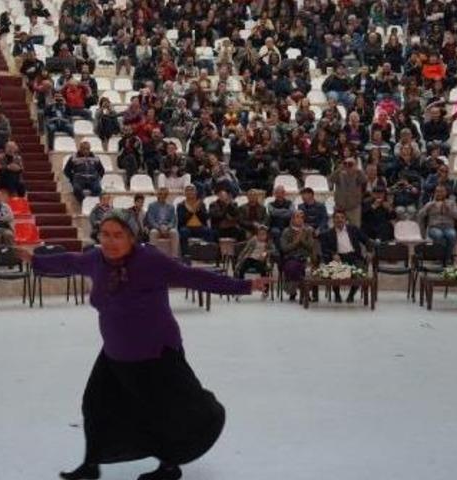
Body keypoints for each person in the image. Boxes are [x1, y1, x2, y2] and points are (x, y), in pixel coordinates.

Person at [17, 211, 268, 480]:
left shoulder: (149, 261)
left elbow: (194, 277)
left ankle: (169, 466)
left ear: (132, 237)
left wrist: (244, 285)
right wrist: (36, 260)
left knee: (165, 413)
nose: (110, 242)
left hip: (156, 354)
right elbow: (71, 261)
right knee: (95, 405)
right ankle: (91, 464)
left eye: (118, 235)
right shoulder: (96, 259)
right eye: (105, 234)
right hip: (115, 353)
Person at [319, 209, 370, 303]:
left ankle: (351, 295)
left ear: (346, 219)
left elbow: (366, 240)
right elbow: (324, 249)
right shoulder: (327, 234)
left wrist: (370, 251)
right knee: (333, 268)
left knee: (360, 271)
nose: (339, 220)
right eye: (337, 217)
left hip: (354, 257)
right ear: (333, 220)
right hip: (338, 258)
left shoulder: (353, 229)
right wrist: (333, 254)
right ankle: (337, 294)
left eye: (342, 217)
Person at [280, 210, 318, 302]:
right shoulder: (286, 231)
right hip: (291, 257)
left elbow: (311, 246)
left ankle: (306, 292)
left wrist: (302, 240)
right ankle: (296, 292)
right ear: (292, 219)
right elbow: (284, 248)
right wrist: (296, 242)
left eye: (302, 217)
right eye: (297, 217)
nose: (300, 219)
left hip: (306, 258)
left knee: (309, 268)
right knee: (292, 267)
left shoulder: (308, 230)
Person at [417, 185, 457, 260]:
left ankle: (447, 258)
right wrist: (427, 208)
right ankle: (440, 258)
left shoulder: (451, 203)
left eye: (441, 191)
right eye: (437, 191)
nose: (439, 193)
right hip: (434, 227)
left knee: (452, 235)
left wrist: (449, 209)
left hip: (448, 227)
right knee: (438, 235)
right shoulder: (430, 203)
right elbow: (420, 215)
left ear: (446, 193)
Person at [235, 225, 277, 298]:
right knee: (242, 269)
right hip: (251, 258)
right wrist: (240, 258)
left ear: (267, 235)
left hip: (261, 260)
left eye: (263, 234)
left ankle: (265, 290)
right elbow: (246, 249)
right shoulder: (253, 240)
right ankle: (241, 288)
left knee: (263, 271)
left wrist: (265, 253)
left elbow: (273, 250)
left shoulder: (269, 242)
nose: (261, 236)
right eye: (260, 234)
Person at [330, 157, 367, 226]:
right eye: (345, 163)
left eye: (350, 164)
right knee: (337, 227)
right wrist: (339, 169)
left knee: (355, 228)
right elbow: (331, 179)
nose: (347, 166)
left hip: (353, 207)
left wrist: (357, 170)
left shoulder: (358, 175)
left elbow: (364, 180)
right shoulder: (339, 174)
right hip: (340, 207)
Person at [177, 185, 211, 255]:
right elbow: (181, 220)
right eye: (188, 190)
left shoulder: (201, 204)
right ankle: (186, 255)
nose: (190, 192)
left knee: (208, 231)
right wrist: (191, 211)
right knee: (183, 232)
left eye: (192, 190)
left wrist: (198, 210)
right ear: (185, 193)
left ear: (196, 192)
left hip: (199, 227)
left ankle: (207, 254)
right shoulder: (181, 205)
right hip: (187, 227)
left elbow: (205, 217)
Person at [145, 187, 179, 257]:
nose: (162, 196)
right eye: (160, 194)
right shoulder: (151, 206)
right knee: (153, 232)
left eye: (165, 194)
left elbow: (173, 220)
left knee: (174, 232)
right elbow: (150, 219)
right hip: (156, 227)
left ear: (167, 195)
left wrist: (168, 227)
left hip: (167, 227)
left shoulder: (171, 206)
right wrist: (159, 227)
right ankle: (153, 256)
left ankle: (174, 256)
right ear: (157, 195)